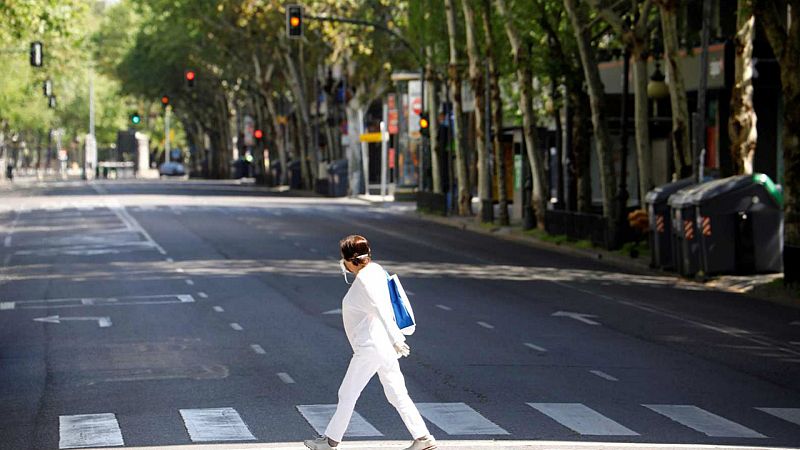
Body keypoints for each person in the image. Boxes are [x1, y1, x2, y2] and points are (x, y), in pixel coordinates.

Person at [304, 235, 437, 450]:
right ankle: (423, 438)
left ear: (348, 260)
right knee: (396, 393)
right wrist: (393, 340)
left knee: (347, 393)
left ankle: (330, 442)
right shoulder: (376, 270)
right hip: (381, 345)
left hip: (371, 347)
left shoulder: (366, 278)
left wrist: (396, 338)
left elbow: (381, 308)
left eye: (342, 259)